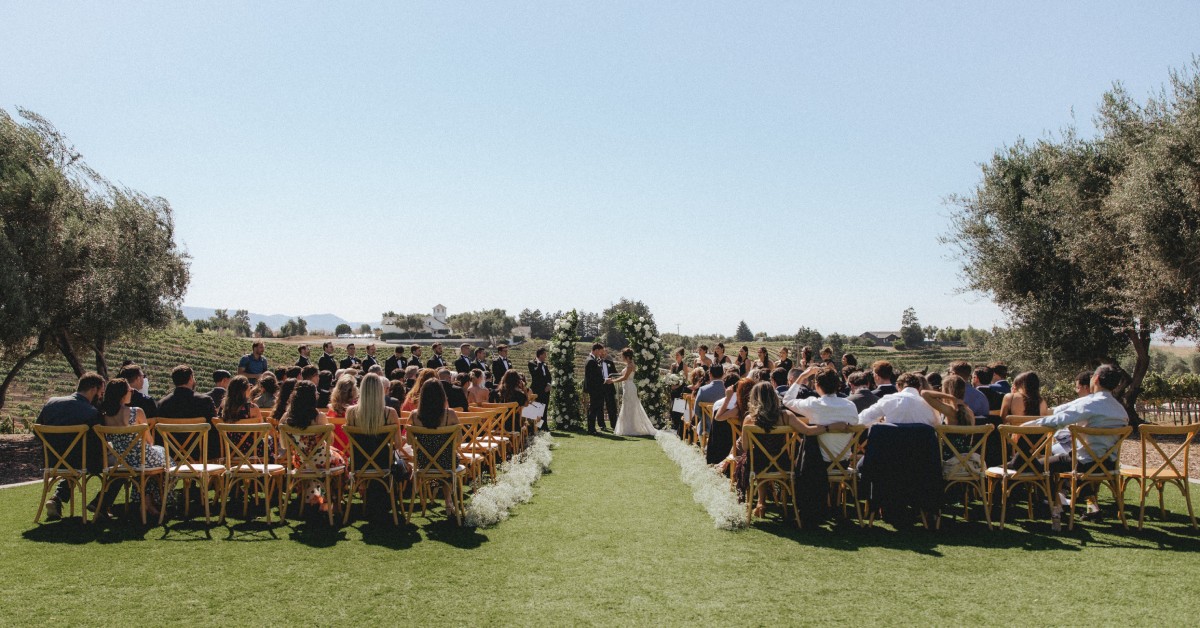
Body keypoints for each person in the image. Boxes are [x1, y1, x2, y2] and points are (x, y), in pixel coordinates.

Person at [1027, 365, 1129, 526]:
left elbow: (1059, 420)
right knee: (1075, 460)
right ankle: (1085, 508)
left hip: (1082, 463)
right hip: (1108, 464)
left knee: (1036, 465)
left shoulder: (1091, 404)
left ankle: (1053, 508)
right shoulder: (1121, 410)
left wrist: (1026, 425)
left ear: (1095, 379)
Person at [735, 381, 847, 516]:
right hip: (782, 464)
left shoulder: (749, 419)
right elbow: (808, 431)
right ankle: (773, 503)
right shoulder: (786, 415)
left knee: (754, 458)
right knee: (765, 458)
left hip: (757, 464)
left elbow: (746, 447)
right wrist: (830, 427)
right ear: (774, 396)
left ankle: (761, 503)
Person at [35, 373, 109, 520]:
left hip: (52, 461)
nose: (101, 397)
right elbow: (98, 445)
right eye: (101, 393)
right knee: (115, 461)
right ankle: (102, 503)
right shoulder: (91, 412)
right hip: (78, 462)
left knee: (75, 458)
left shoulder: (51, 403)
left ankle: (57, 498)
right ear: (93, 390)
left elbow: (37, 432)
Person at [98, 378, 167, 517]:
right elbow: (149, 440)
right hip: (140, 459)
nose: (132, 392)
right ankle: (155, 503)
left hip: (120, 461)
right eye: (130, 390)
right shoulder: (137, 412)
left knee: (145, 471)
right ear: (123, 394)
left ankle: (147, 503)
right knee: (166, 459)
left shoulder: (104, 417)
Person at [282, 380, 345, 512]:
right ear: (312, 397)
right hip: (322, 461)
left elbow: (283, 445)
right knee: (341, 460)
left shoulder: (286, 419)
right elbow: (330, 442)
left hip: (301, 462)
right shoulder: (319, 417)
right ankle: (333, 503)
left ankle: (312, 500)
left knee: (318, 460)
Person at [782, 367, 860, 462]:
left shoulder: (814, 404)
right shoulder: (850, 405)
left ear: (817, 385)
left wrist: (802, 377)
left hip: (817, 464)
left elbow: (787, 400)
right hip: (844, 463)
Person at [411, 379, 460, 515]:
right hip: (447, 462)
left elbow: (410, 442)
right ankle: (449, 502)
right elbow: (459, 441)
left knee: (441, 457)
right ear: (442, 395)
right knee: (447, 457)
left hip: (423, 463)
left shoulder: (415, 416)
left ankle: (441, 501)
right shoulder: (450, 415)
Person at [158, 365, 219, 459]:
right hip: (200, 454)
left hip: (172, 454)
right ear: (190, 378)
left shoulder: (162, 404)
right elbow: (215, 426)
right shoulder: (204, 401)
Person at [858, 372, 939, 427]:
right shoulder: (929, 405)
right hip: (920, 450)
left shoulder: (888, 400)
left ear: (897, 386)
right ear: (919, 388)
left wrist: (881, 424)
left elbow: (862, 419)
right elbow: (937, 426)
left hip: (891, 450)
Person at [610, 348, 658, 437]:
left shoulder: (630, 366)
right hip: (628, 386)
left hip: (629, 386)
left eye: (623, 356)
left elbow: (625, 377)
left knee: (630, 406)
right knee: (628, 406)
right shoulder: (630, 364)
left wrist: (612, 381)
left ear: (627, 357)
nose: (622, 358)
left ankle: (630, 428)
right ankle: (629, 427)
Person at [710, 374, 748, 464]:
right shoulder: (743, 407)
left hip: (720, 444)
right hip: (742, 442)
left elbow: (717, 418)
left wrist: (728, 398)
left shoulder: (720, 404)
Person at [583, 343, 619, 434]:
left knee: (597, 408)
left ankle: (593, 429)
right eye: (600, 351)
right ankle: (592, 429)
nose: (601, 353)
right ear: (596, 350)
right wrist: (604, 379)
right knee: (594, 409)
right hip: (595, 389)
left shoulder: (592, 360)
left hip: (600, 388)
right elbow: (592, 377)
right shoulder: (591, 361)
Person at [328, 374, 358, 452]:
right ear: (353, 391)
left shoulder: (331, 411)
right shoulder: (357, 411)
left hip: (335, 451)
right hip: (354, 452)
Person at [529, 347, 551, 415]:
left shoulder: (545, 364)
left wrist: (548, 384)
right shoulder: (531, 363)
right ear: (540, 355)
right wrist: (539, 363)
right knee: (537, 410)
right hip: (537, 390)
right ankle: (537, 425)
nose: (546, 356)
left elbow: (549, 376)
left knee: (544, 410)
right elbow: (535, 373)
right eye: (544, 354)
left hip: (545, 391)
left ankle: (544, 425)